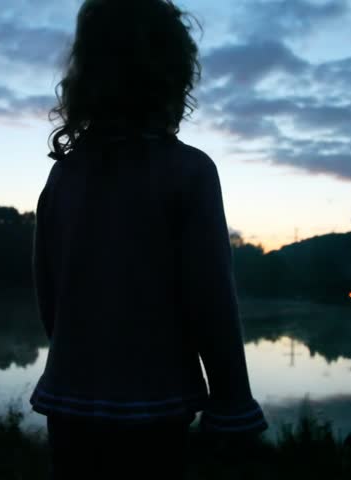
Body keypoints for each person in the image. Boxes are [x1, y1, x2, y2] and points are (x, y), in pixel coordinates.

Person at [30, 1, 267, 478]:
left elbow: (49, 293)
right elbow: (211, 299)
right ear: (174, 74)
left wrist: (83, 360)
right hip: (156, 408)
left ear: (86, 75)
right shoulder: (189, 171)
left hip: (69, 405)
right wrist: (233, 404)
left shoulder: (64, 176)